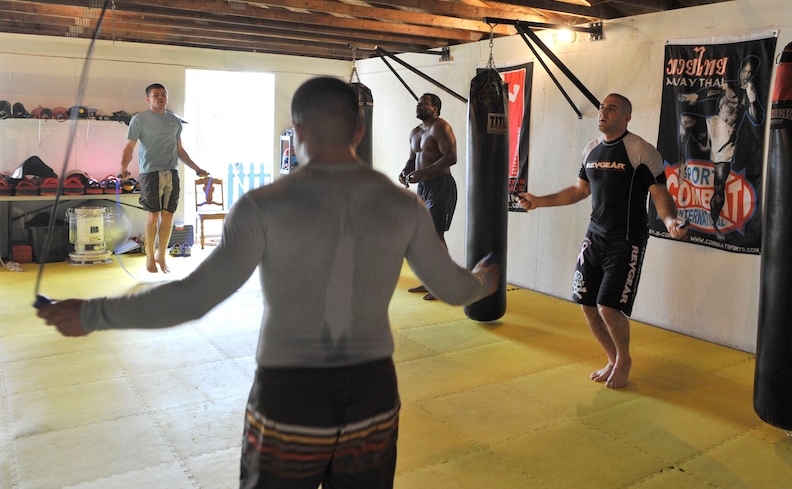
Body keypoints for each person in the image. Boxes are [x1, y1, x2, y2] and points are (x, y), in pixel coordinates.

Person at [38, 76, 500, 489]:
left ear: (296, 132)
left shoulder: (263, 205)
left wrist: (90, 313)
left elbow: (193, 298)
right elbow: (454, 291)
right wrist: (482, 279)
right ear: (360, 130)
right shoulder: (403, 206)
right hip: (371, 396)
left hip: (289, 397)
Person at [518, 93, 687, 389]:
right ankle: (612, 358)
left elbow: (660, 193)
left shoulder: (641, 150)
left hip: (627, 239)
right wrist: (539, 201)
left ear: (627, 117)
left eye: (612, 108)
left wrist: (671, 221)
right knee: (586, 303)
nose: (603, 112)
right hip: (594, 237)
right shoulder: (591, 150)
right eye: (601, 107)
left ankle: (624, 359)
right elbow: (578, 191)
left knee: (608, 306)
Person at [119, 83, 206, 273]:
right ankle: (150, 256)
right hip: (150, 173)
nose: (160, 97)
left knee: (168, 215)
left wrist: (197, 169)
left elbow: (180, 150)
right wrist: (123, 169)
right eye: (156, 95)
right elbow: (129, 148)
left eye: (163, 95)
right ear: (148, 99)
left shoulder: (174, 121)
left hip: (171, 172)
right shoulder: (139, 119)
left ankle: (161, 255)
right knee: (153, 216)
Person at [677, 56, 763, 240]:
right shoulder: (727, 86)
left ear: (752, 74)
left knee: (719, 186)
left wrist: (752, 96)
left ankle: (714, 222)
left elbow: (757, 118)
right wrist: (694, 96)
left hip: (727, 137)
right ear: (739, 69)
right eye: (743, 71)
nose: (745, 75)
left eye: (749, 72)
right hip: (714, 124)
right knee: (684, 120)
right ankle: (683, 163)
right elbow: (708, 93)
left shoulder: (748, 95)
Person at [398, 92, 458, 300]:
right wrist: (404, 172)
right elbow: (412, 159)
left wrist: (422, 173)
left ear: (435, 109)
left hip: (441, 186)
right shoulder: (415, 132)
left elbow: (451, 157)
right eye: (418, 102)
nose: (418, 105)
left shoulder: (440, 127)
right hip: (423, 189)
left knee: (435, 235)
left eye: (423, 103)